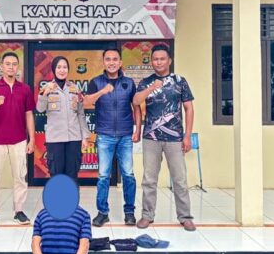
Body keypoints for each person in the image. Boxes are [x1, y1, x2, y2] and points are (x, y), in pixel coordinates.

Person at [132, 44, 196, 232]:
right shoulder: (146, 82)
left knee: (180, 179)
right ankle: (147, 216)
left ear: (169, 61)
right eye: (155, 59)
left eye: (162, 59)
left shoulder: (180, 81)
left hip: (175, 138)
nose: (158, 62)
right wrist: (152, 87)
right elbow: (136, 101)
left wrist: (187, 136)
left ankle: (185, 217)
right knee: (149, 180)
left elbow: (189, 108)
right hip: (151, 138)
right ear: (151, 61)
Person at [84, 49, 141, 227]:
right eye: (108, 59)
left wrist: (138, 129)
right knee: (103, 176)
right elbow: (86, 102)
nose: (111, 62)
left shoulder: (129, 83)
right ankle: (102, 213)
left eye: (115, 59)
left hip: (125, 136)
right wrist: (102, 91)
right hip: (105, 135)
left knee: (128, 175)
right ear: (103, 62)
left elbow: (136, 107)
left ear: (120, 62)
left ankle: (129, 212)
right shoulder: (96, 82)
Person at [0, 52, 35, 227]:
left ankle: (19, 211)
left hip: (19, 141)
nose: (11, 67)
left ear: (18, 67)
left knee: (20, 177)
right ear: (2, 66)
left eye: (14, 64)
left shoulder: (24, 89)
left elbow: (29, 114)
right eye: (7, 64)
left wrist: (32, 139)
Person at [32, 175, 90, 254]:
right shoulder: (84, 215)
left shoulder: (41, 214)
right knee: (86, 243)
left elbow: (34, 245)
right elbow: (84, 245)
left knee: (38, 244)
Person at [37, 56, 90, 182]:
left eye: (65, 67)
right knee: (56, 175)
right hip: (55, 139)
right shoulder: (47, 87)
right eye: (59, 67)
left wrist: (85, 136)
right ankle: (58, 196)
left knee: (72, 174)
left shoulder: (75, 89)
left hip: (74, 138)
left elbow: (80, 114)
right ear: (54, 70)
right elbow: (40, 109)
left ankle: (72, 196)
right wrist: (45, 93)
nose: (62, 70)